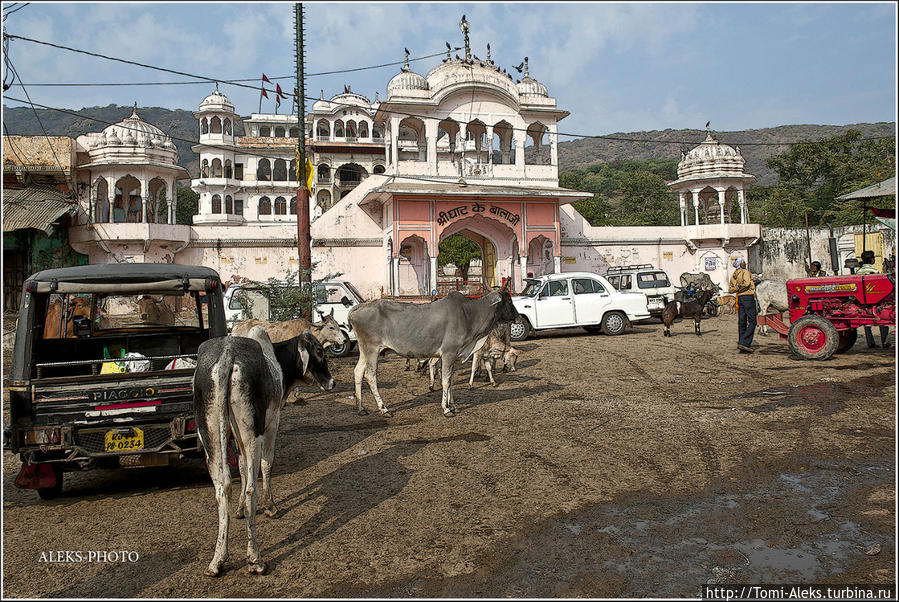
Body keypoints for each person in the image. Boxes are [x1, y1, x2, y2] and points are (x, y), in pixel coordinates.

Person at [856, 251, 891, 349]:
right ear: (872, 260)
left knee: (867, 324)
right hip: (876, 300)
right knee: (883, 321)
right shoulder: (875, 271)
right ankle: (885, 342)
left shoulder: (859, 272)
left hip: (863, 302)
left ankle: (870, 343)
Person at [728, 257, 757, 353]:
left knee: (742, 321)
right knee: (753, 321)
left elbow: (730, 289)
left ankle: (741, 342)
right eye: (743, 262)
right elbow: (747, 284)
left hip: (740, 298)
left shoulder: (734, 275)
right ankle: (744, 342)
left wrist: (737, 288)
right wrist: (740, 287)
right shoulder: (745, 272)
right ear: (740, 264)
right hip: (748, 297)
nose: (745, 263)